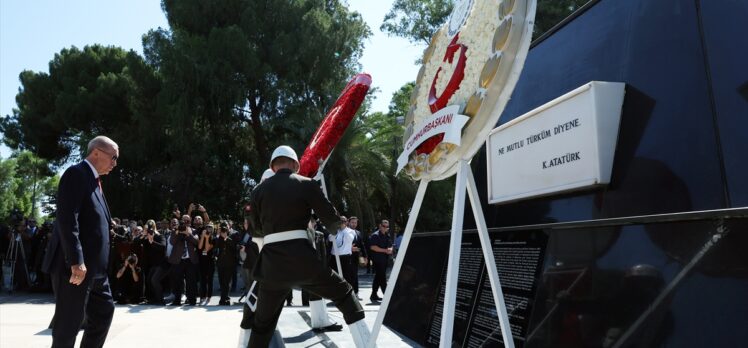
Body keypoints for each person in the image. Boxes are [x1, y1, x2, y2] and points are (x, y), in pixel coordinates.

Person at [243, 145, 372, 347]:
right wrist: (335, 225)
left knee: (262, 324)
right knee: (345, 294)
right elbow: (331, 220)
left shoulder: (258, 191)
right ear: (295, 164)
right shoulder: (306, 184)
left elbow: (254, 230)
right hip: (304, 262)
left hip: (271, 266)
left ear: (273, 166)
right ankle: (367, 344)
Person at [41, 135, 119, 348]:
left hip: (96, 272)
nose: (114, 163)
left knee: (104, 313)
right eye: (113, 157)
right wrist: (76, 260)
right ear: (96, 152)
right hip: (76, 269)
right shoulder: (76, 174)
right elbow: (67, 219)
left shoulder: (95, 182)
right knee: (68, 326)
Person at [168, 214, 199, 306]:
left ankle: (192, 300)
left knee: (191, 281)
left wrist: (188, 234)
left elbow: (196, 242)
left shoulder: (193, 231)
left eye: (187, 221)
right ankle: (177, 300)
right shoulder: (175, 231)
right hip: (178, 260)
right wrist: (177, 231)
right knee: (177, 281)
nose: (185, 223)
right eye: (184, 221)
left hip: (190, 260)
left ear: (190, 222)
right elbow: (172, 242)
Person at [368, 219, 393, 303]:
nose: (385, 228)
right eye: (384, 226)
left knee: (378, 278)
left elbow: (390, 245)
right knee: (382, 278)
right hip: (377, 260)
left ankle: (373, 295)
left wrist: (390, 249)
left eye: (387, 227)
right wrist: (385, 250)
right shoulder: (375, 235)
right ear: (380, 226)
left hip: (385, 260)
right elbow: (373, 247)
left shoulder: (387, 235)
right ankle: (387, 296)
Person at [214, 221, 238, 305]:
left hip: (230, 262)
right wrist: (218, 235)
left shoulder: (234, 234)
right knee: (221, 281)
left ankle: (224, 298)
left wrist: (226, 238)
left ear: (229, 226)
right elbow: (215, 246)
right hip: (220, 262)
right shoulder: (218, 236)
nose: (224, 228)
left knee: (227, 281)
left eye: (225, 226)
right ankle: (225, 297)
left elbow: (235, 246)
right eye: (222, 227)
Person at [348, 217, 366, 297]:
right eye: (352, 222)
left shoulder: (358, 233)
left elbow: (362, 245)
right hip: (346, 257)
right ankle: (349, 293)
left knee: (355, 275)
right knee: (348, 276)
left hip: (355, 257)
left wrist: (365, 256)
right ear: (349, 222)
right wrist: (350, 249)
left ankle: (356, 292)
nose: (354, 224)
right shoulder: (345, 232)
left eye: (355, 222)